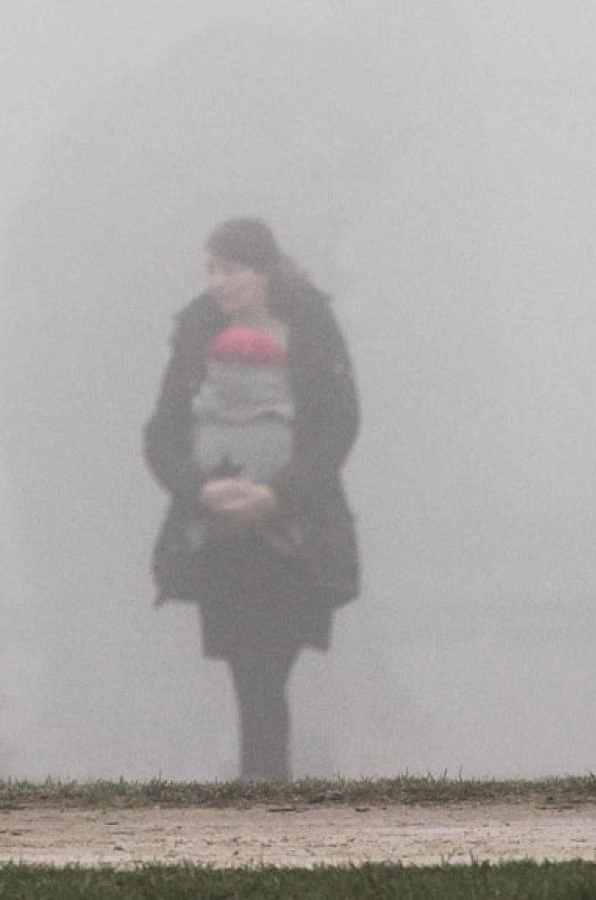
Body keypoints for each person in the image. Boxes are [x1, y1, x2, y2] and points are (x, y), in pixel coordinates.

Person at [143, 217, 359, 781]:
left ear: (264, 272)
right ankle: (263, 786)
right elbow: (162, 433)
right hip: (218, 534)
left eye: (230, 269)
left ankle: (261, 784)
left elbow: (338, 426)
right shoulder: (195, 333)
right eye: (210, 269)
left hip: (294, 536)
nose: (216, 282)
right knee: (248, 666)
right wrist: (199, 489)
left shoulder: (311, 329)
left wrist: (277, 496)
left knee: (266, 662)